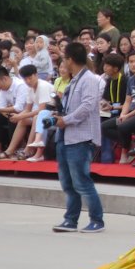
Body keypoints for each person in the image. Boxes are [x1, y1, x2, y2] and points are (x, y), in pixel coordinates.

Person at [51, 42, 106, 233]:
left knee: (81, 180)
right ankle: (71, 219)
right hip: (66, 136)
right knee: (67, 182)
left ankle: (97, 220)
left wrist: (66, 119)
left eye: (65, 58)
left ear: (71, 59)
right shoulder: (74, 80)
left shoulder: (89, 79)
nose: (64, 62)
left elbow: (88, 106)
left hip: (81, 137)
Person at [102, 50, 135, 165]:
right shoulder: (131, 79)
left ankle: (125, 150)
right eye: (131, 62)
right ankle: (129, 143)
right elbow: (127, 101)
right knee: (104, 127)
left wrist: (126, 115)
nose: (133, 64)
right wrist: (123, 115)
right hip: (129, 112)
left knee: (123, 125)